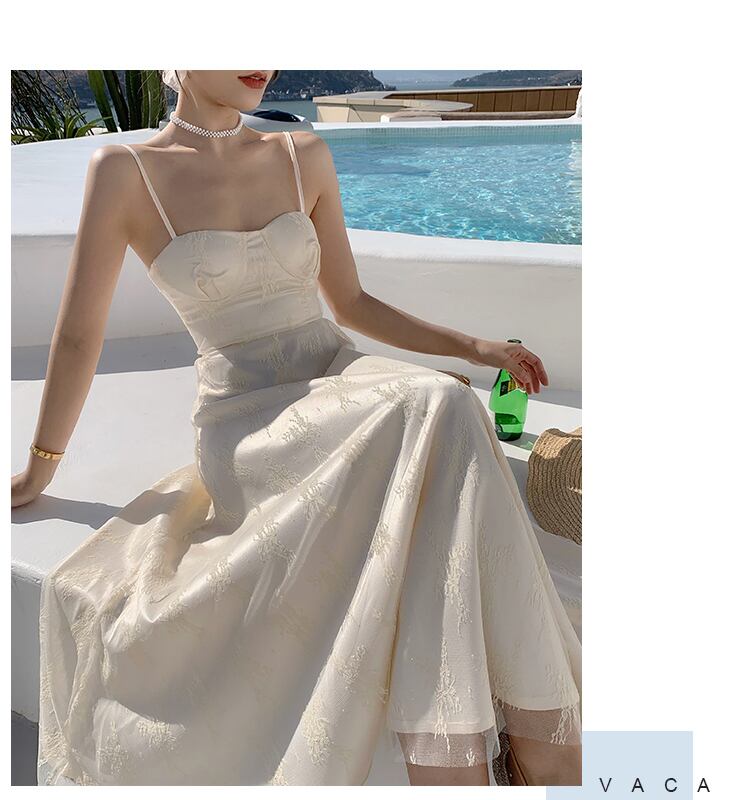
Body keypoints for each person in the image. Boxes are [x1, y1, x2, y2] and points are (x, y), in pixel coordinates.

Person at [11, 70, 582, 786]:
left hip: (337, 374)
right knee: (435, 406)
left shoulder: (301, 153)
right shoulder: (126, 172)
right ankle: (524, 748)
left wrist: (476, 348)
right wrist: (41, 467)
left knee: (446, 403)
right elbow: (77, 337)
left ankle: (474, 755)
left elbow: (350, 303)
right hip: (245, 416)